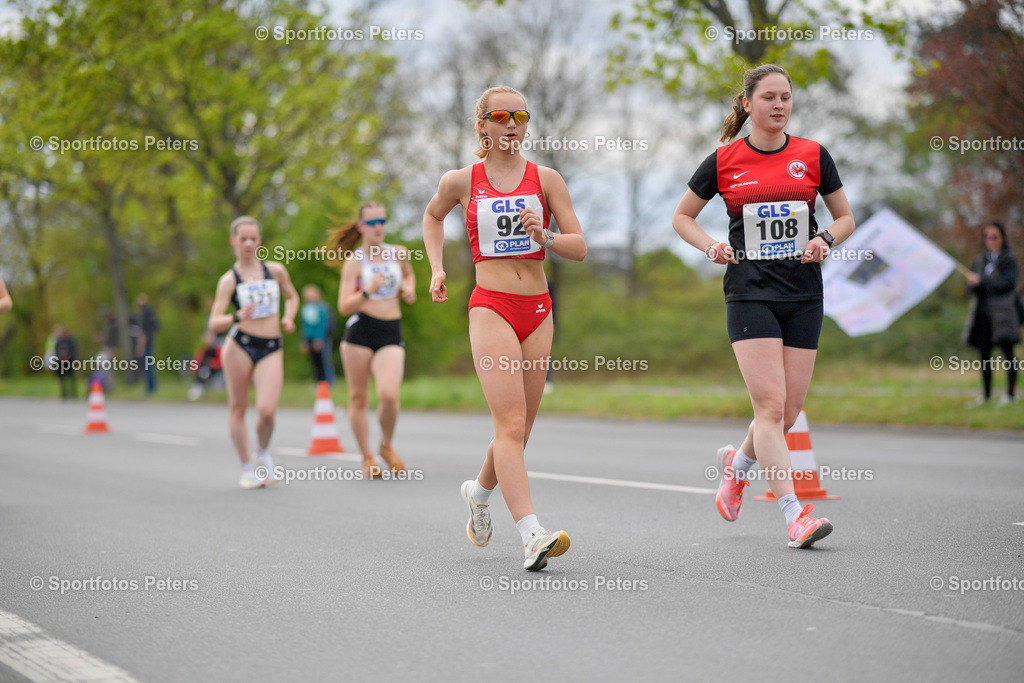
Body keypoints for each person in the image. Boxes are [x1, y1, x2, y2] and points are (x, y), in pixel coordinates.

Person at [672, 64, 855, 548]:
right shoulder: (725, 159)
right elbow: (682, 217)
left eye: (786, 97)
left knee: (788, 412)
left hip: (803, 293)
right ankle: (795, 515)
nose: (779, 105)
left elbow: (845, 217)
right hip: (749, 293)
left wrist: (824, 239)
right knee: (769, 407)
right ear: (748, 103)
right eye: (769, 97)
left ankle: (737, 469)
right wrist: (710, 246)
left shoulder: (813, 155)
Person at [423, 86, 587, 571]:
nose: (512, 124)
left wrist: (547, 237)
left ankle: (478, 492)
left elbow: (579, 246)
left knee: (521, 429)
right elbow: (432, 217)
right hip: (490, 306)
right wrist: (437, 268)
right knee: (509, 425)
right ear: (482, 125)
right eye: (501, 116)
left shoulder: (547, 178)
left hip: (537, 308)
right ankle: (532, 534)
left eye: (520, 115)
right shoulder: (462, 180)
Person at [209, 216, 300, 489]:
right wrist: (236, 316)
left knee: (267, 411)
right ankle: (246, 467)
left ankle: (261, 451)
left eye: (253, 238)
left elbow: (292, 297)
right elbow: (214, 321)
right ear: (233, 241)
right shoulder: (229, 280)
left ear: (259, 241)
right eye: (243, 239)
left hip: (270, 345)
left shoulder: (275, 271)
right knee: (238, 408)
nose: (248, 243)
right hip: (239, 345)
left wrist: (289, 317)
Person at [327, 202, 416, 480]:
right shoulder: (355, 261)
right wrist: (368, 291)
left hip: (391, 330)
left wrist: (409, 288)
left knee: (389, 396)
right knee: (359, 397)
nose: (378, 227)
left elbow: (410, 275)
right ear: (360, 226)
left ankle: (385, 446)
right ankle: (367, 456)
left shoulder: (398, 253)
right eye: (372, 222)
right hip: (360, 333)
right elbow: (343, 306)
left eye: (382, 221)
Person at [963, 221, 1020, 407]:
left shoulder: (1008, 259)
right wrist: (972, 284)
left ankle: (1011, 394)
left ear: (1002, 238)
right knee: (984, 356)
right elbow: (972, 289)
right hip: (983, 314)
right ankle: (986, 396)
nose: (990, 240)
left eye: (994, 236)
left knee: (1008, 355)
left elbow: (1007, 284)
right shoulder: (980, 260)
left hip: (1003, 314)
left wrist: (983, 281)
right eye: (987, 236)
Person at [299, 285, 331, 384]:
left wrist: (319, 339)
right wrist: (304, 340)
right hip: (309, 338)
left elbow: (323, 324)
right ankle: (318, 381)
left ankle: (326, 382)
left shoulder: (322, 308)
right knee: (314, 362)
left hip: (320, 338)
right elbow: (304, 325)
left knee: (323, 361)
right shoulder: (305, 308)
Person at [188, 330, 224, 401]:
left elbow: (220, 363)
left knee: (205, 370)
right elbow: (195, 363)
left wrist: (212, 363)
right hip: (202, 371)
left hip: (215, 371)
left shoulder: (217, 350)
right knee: (203, 371)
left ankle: (200, 387)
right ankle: (198, 388)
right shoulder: (201, 351)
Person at [136, 294, 160, 394]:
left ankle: (150, 388)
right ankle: (153, 386)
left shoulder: (144, 314)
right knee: (150, 365)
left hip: (146, 343)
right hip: (151, 341)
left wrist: (140, 346)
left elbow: (143, 333)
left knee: (147, 365)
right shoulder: (151, 313)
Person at [53, 324, 78, 400]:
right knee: (61, 379)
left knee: (71, 378)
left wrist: (69, 357)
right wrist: (60, 357)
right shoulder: (58, 341)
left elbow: (74, 351)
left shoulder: (71, 340)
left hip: (69, 361)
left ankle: (73, 393)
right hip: (60, 362)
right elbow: (56, 351)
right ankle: (63, 393)